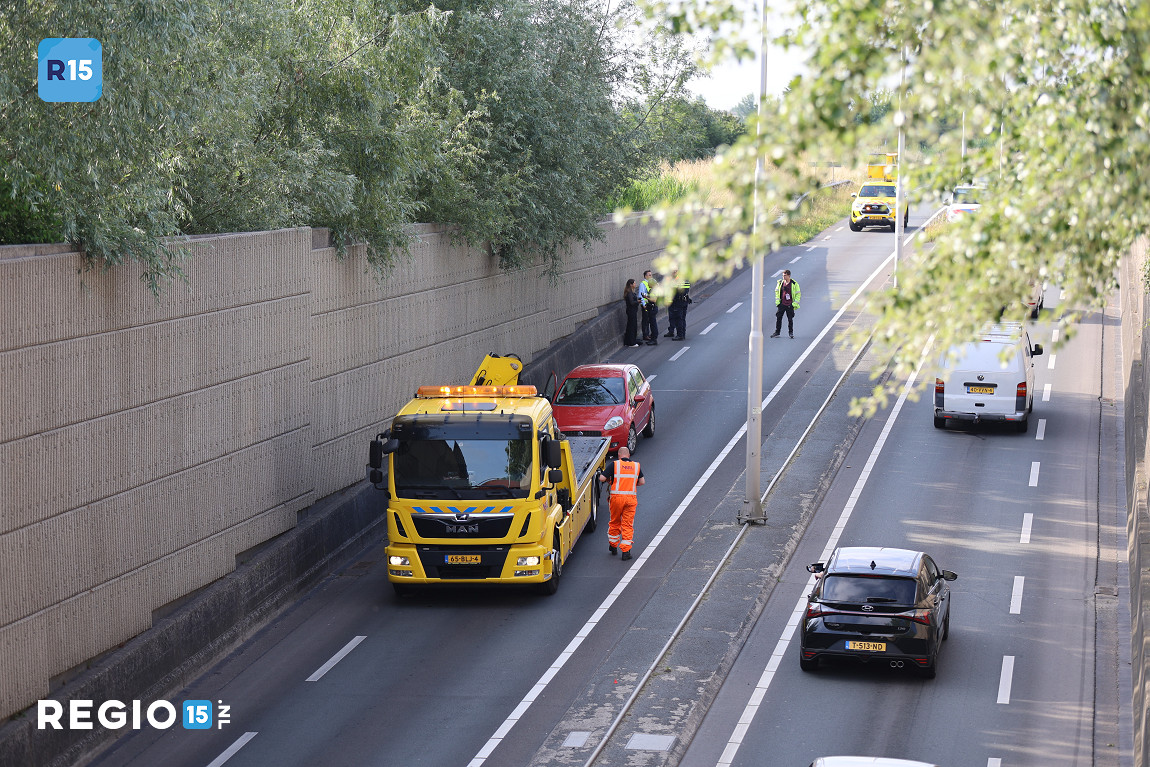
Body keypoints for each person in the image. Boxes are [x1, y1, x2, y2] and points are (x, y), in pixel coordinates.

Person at [597, 446, 644, 561]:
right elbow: (642, 482)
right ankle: (626, 552)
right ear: (628, 455)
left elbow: (602, 478)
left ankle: (613, 546)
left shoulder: (615, 465)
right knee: (627, 524)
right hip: (630, 499)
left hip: (616, 498)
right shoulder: (636, 466)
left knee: (615, 521)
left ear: (619, 455)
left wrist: (610, 481)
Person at [771, 269, 801, 339]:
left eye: (785, 275)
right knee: (779, 317)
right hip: (782, 303)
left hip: (790, 304)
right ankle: (777, 332)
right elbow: (777, 292)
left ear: (789, 276)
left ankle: (791, 332)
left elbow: (798, 294)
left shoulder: (794, 284)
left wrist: (794, 304)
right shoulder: (780, 283)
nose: (783, 277)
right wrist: (778, 302)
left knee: (790, 319)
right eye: (783, 276)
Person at [666, 269, 692, 340]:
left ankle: (680, 335)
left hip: (678, 302)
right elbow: (686, 291)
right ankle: (682, 334)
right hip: (684, 301)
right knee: (682, 318)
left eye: (674, 271)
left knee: (678, 319)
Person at [639, 270, 658, 345]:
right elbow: (641, 296)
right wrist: (644, 304)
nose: (651, 276)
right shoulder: (643, 284)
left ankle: (653, 338)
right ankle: (648, 335)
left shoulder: (653, 290)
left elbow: (654, 299)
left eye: (651, 275)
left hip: (651, 307)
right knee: (647, 321)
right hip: (648, 306)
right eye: (649, 275)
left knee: (652, 323)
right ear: (645, 276)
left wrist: (646, 297)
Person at [623, 279, 640, 347]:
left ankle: (628, 341)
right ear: (631, 284)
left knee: (630, 326)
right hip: (631, 311)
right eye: (634, 283)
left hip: (632, 311)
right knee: (632, 326)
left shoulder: (631, 292)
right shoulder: (629, 293)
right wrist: (638, 302)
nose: (635, 284)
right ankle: (631, 342)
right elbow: (632, 303)